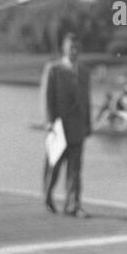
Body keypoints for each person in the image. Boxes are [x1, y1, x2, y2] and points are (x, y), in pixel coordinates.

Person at [39, 32, 92, 216]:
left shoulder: (84, 71)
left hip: (78, 127)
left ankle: (73, 205)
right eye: (71, 47)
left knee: (75, 170)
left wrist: (88, 124)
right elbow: (46, 97)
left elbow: (87, 100)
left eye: (77, 48)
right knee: (53, 166)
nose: (74, 51)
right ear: (64, 48)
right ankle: (47, 197)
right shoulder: (54, 69)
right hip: (59, 127)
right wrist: (48, 121)